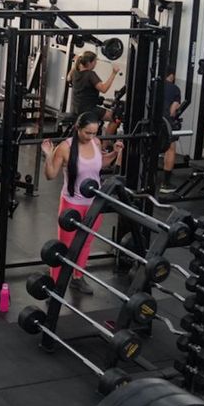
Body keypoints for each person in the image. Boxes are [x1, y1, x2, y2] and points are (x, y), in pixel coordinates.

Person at [41, 109, 124, 294]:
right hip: (72, 203)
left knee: (86, 242)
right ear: (78, 128)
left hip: (94, 203)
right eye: (87, 132)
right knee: (64, 246)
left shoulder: (96, 142)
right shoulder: (65, 147)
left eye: (94, 132)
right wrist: (48, 155)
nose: (91, 136)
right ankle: (56, 285)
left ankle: (78, 278)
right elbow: (50, 175)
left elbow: (99, 164)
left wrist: (115, 153)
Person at [67, 51, 121, 116]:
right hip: (88, 110)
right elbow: (104, 89)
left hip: (75, 109)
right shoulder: (90, 74)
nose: (96, 64)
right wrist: (114, 73)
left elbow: (68, 78)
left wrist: (76, 62)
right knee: (115, 117)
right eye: (95, 62)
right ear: (89, 63)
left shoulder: (74, 72)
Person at [159, 72, 183, 193]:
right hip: (165, 122)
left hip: (150, 120)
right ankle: (165, 184)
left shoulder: (155, 84)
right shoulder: (175, 89)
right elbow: (172, 111)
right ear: (172, 75)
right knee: (170, 149)